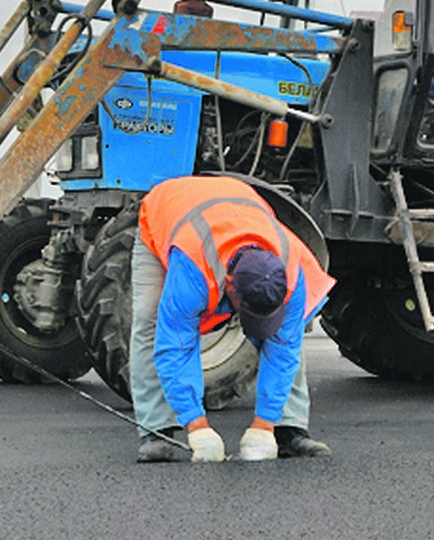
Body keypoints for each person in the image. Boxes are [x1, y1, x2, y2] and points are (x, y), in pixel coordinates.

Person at [130, 175, 336, 464]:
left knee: (291, 330)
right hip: (168, 213)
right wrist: (196, 425)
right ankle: (156, 432)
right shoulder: (193, 269)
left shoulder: (291, 270)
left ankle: (289, 428)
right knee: (149, 319)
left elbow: (284, 347)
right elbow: (174, 344)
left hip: (236, 206)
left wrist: (263, 424)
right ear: (228, 282)